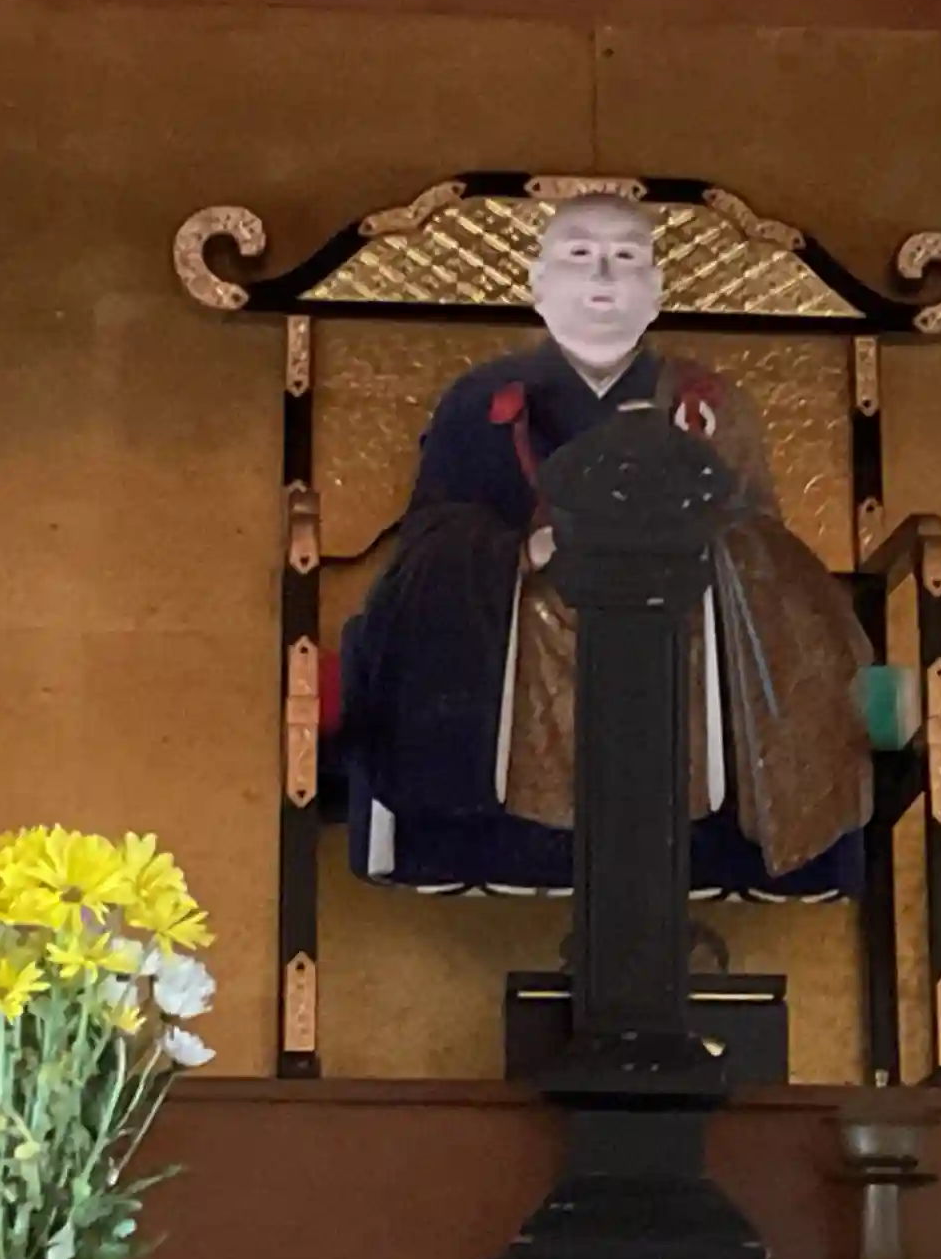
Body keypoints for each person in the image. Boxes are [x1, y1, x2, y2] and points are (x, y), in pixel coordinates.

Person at [335, 195, 871, 898]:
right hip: (525, 629)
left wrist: (698, 545)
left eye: (626, 258)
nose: (603, 278)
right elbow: (432, 541)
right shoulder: (480, 398)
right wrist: (521, 555)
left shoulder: (710, 401)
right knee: (511, 609)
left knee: (756, 608)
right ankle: (511, 819)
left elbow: (759, 541)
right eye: (580, 255)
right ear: (537, 284)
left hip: (686, 621)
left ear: (656, 290)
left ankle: (705, 815)